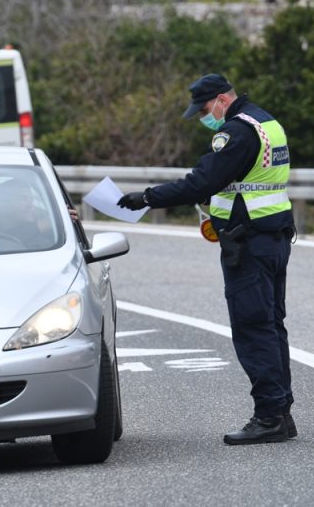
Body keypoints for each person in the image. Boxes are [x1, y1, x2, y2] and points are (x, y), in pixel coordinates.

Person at [117, 73, 296, 445]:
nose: (203, 117)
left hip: (249, 244)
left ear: (220, 100)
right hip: (273, 237)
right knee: (271, 325)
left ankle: (269, 416)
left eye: (203, 110)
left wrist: (148, 198)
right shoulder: (267, 122)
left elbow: (202, 182)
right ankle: (280, 412)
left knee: (253, 327)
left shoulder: (236, 132)